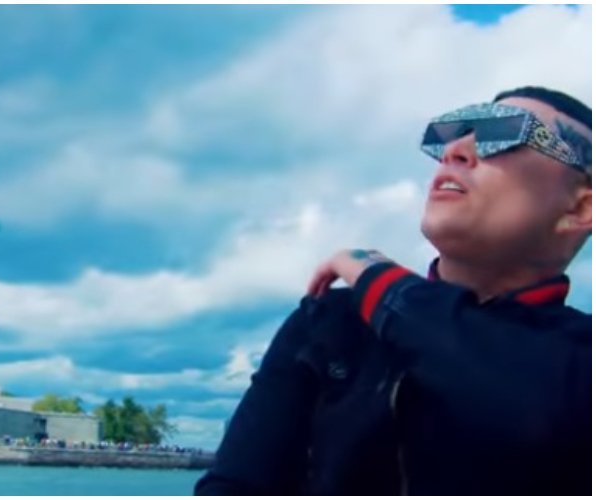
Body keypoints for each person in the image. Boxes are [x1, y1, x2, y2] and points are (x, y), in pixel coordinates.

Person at [194, 86, 591, 495]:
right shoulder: (330, 321)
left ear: (581, 208)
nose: (454, 150)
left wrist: (379, 281)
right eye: (457, 133)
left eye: (505, 133)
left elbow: (537, 407)